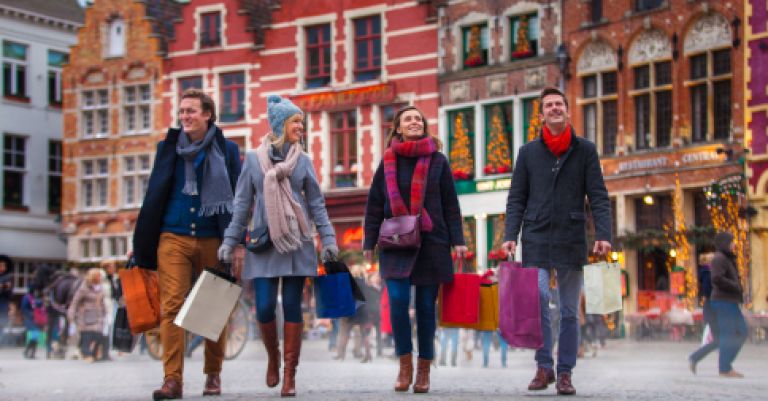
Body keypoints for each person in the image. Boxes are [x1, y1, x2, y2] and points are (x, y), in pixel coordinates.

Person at [217, 95, 338, 397]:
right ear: (280, 124)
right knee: (266, 306)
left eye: (301, 122)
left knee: (294, 306)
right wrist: (230, 241)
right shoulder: (253, 161)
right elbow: (242, 204)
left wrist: (329, 239)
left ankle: (290, 375)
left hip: (297, 242)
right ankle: (273, 357)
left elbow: (317, 205)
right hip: (264, 243)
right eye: (296, 121)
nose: (301, 126)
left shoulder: (304, 161)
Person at [132, 88, 242, 399]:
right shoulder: (167, 148)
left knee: (212, 309)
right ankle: (172, 380)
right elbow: (154, 195)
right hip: (172, 235)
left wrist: (237, 241)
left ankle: (213, 374)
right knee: (172, 307)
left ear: (207, 114)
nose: (185, 117)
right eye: (182, 112)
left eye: (191, 111)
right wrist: (141, 240)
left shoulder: (228, 150)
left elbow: (239, 198)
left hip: (213, 238)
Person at [502, 87, 612, 395]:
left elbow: (599, 196)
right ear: (542, 114)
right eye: (549, 105)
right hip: (536, 235)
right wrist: (511, 235)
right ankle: (543, 366)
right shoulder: (528, 153)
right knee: (537, 299)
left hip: (571, 236)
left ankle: (564, 372)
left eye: (559, 104)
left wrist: (603, 234)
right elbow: (516, 198)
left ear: (567, 110)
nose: (554, 108)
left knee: (567, 310)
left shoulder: (585, 150)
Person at [363, 105, 467, 394]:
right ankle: (404, 364)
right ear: (397, 127)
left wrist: (458, 239)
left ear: (424, 126)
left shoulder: (438, 161)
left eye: (418, 119)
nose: (414, 122)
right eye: (408, 119)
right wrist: (368, 243)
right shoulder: (386, 163)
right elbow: (373, 205)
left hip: (432, 242)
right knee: (396, 301)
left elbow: (450, 204)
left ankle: (424, 370)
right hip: (396, 241)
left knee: (424, 307)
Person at [709, 232, 748, 378]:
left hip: (729, 301)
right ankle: (724, 368)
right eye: (731, 241)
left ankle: (726, 366)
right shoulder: (719, 258)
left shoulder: (726, 258)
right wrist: (735, 286)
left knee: (741, 332)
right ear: (725, 243)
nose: (734, 244)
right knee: (730, 334)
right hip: (723, 301)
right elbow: (716, 278)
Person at [67, 268, 107, 363]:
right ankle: (86, 354)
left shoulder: (100, 288)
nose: (100, 278)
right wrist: (71, 316)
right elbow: (75, 302)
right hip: (86, 318)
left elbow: (102, 302)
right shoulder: (84, 288)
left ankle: (92, 353)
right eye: (98, 276)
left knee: (98, 336)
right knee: (87, 337)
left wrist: (105, 313)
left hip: (98, 316)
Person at [689, 252, 716, 373]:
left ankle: (695, 358)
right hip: (712, 309)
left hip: (713, 308)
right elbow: (708, 292)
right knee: (721, 339)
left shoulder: (709, 273)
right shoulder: (707, 274)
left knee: (721, 339)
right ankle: (694, 357)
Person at [0, 255, 13, 340]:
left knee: (2, 324)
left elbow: (10, 294)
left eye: (4, 265)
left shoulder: (7, 277)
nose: (3, 268)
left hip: (3, 305)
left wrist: (6, 288)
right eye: (1, 265)